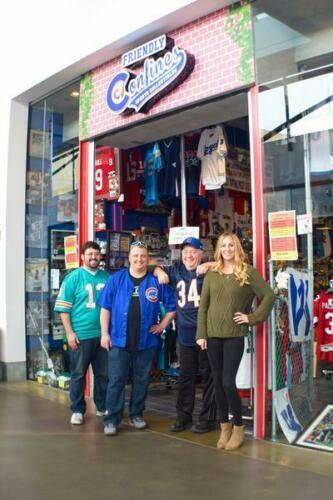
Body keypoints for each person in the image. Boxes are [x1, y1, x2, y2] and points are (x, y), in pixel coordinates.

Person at [196, 233, 275, 451]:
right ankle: (225, 427)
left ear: (237, 248)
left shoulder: (247, 272)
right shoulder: (212, 273)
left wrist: (252, 318)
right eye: (224, 245)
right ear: (219, 249)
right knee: (218, 382)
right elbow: (203, 306)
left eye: (231, 245)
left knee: (228, 382)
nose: (228, 249)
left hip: (234, 335)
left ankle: (238, 427)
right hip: (212, 334)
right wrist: (201, 334)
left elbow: (269, 295)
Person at [98, 241, 176, 436]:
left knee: (141, 381)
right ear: (129, 258)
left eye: (143, 256)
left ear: (147, 259)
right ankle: (112, 420)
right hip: (118, 341)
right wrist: (104, 333)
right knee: (116, 381)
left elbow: (172, 307)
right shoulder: (116, 280)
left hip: (147, 342)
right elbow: (105, 308)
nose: (139, 259)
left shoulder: (156, 281)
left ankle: (136, 415)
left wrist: (162, 325)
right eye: (135, 256)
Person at [154, 237, 217, 433]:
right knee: (186, 377)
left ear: (201, 253)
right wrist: (157, 270)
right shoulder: (176, 270)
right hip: (185, 334)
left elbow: (234, 264)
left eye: (193, 252)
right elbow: (149, 264)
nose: (189, 255)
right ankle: (183, 417)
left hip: (207, 333)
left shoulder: (210, 271)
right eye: (185, 252)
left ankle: (207, 418)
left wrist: (210, 264)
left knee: (209, 377)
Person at [54, 241, 109, 425]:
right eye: (90, 254)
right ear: (83, 256)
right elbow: (63, 309)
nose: (93, 257)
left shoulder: (107, 278)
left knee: (103, 374)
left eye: (96, 254)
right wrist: (69, 333)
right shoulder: (73, 278)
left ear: (100, 256)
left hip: (102, 335)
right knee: (78, 374)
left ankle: (102, 406)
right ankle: (77, 410)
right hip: (81, 335)